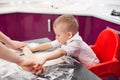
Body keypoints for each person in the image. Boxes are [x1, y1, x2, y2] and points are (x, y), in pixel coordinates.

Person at [28, 14, 100, 67]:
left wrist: (44, 57)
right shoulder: (64, 38)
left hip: (92, 67)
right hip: (80, 64)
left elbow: (61, 52)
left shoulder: (76, 42)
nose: (56, 37)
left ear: (69, 35)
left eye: (58, 35)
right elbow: (49, 44)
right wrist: (33, 48)